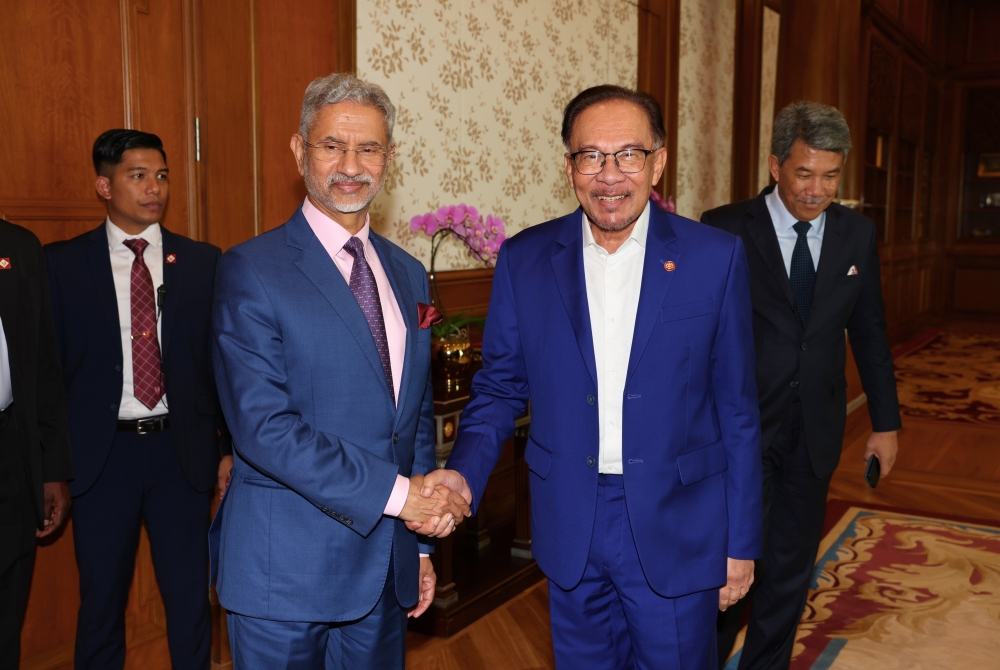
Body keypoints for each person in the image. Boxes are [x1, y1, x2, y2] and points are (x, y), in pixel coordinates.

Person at [420, 85, 763, 669]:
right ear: (569, 166)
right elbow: (500, 387)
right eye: (591, 156)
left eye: (628, 154)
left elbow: (736, 407)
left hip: (678, 521)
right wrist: (462, 475)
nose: (610, 175)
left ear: (658, 161)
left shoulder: (715, 258)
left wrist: (740, 543)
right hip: (571, 518)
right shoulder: (526, 260)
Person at [209, 72, 470, 669]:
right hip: (285, 576)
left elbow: (413, 416)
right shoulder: (250, 269)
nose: (351, 164)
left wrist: (420, 548)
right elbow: (264, 430)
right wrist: (405, 499)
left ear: (390, 158)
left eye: (369, 148)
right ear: (300, 150)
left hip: (382, 572)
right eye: (332, 145)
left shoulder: (408, 273)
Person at [702, 101, 901, 669]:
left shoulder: (856, 235)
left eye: (831, 175)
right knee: (727, 571)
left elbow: (870, 332)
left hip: (815, 429)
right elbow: (696, 338)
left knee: (789, 572)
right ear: (775, 165)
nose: (817, 189)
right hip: (739, 430)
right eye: (804, 173)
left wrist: (885, 424)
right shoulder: (723, 229)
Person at [45, 129, 232, 669]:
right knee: (100, 602)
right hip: (103, 458)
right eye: (138, 175)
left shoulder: (200, 262)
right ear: (104, 185)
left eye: (162, 175)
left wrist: (227, 449)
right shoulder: (63, 265)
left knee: (190, 600)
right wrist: (51, 464)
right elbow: (50, 375)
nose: (155, 188)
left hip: (182, 454)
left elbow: (217, 366)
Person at [0, 219, 73, 666]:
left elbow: (44, 365)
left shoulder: (19, 247)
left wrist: (52, 469)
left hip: (11, 451)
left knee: (8, 611)